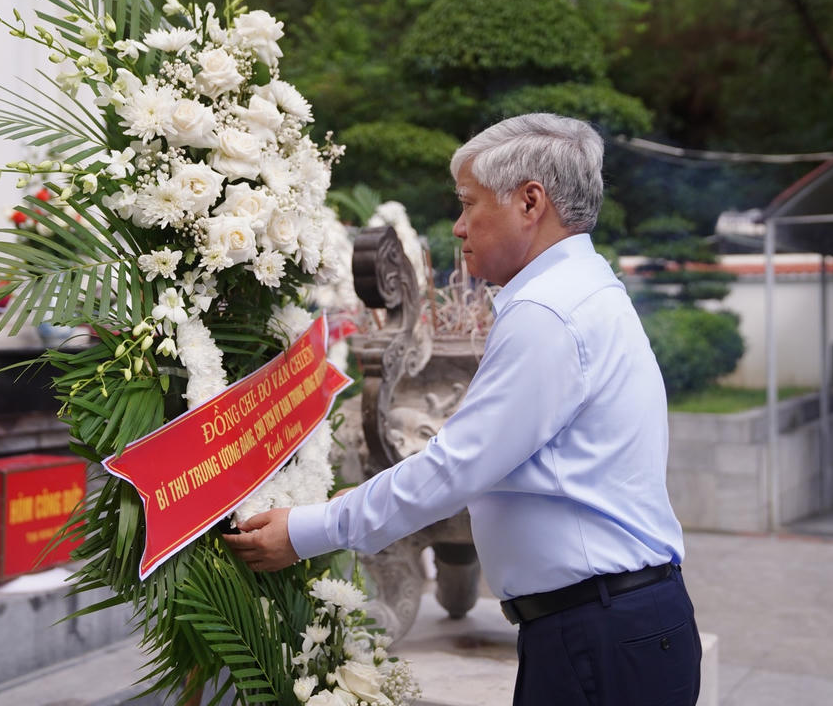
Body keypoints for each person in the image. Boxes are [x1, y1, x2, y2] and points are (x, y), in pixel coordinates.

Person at [224, 113, 701, 706]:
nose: (458, 226)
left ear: (530, 202)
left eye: (469, 203)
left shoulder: (550, 312)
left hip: (601, 631)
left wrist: (307, 530)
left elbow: (455, 467)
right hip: (609, 625)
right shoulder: (581, 288)